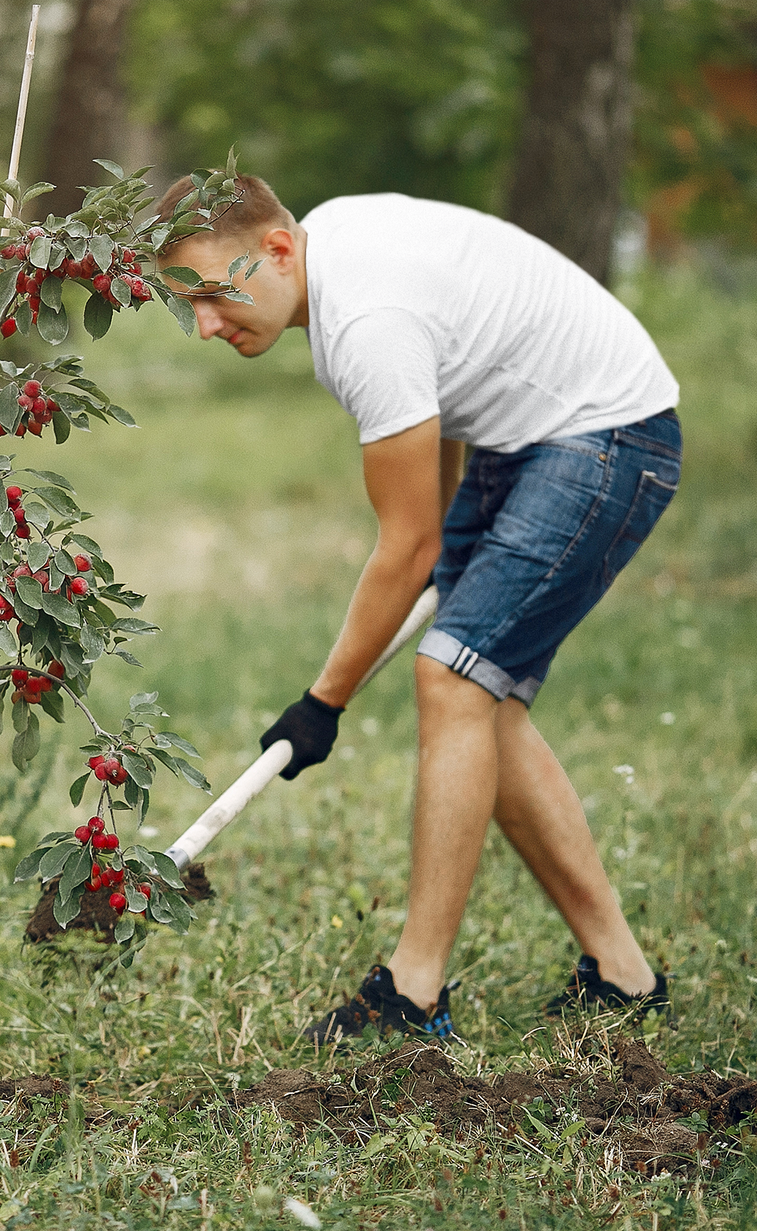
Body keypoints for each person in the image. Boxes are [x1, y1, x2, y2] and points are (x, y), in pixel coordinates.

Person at [155, 174, 680, 1044]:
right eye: (189, 308)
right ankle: (623, 974)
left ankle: (413, 989)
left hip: (604, 436)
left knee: (452, 678)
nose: (207, 325)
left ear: (278, 249)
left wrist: (323, 701)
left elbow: (403, 551)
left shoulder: (365, 324)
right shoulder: (330, 254)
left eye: (214, 294)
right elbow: (424, 520)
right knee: (481, 694)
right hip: (529, 434)